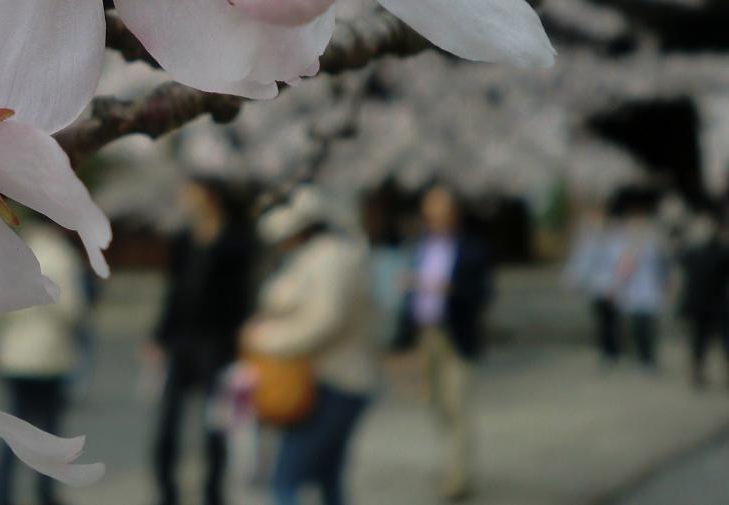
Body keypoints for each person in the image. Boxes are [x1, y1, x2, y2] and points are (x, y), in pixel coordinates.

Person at [243, 186, 378, 505]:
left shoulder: (329, 259)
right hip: (335, 380)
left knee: (286, 480)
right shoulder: (332, 255)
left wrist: (266, 339)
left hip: (332, 382)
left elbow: (324, 321)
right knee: (328, 479)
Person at [151, 177, 255, 505]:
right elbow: (174, 293)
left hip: (217, 341)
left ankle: (214, 491)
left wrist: (240, 338)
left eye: (190, 192)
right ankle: (166, 492)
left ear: (209, 196)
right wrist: (159, 336)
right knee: (167, 423)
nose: (184, 199)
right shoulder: (183, 240)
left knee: (217, 423)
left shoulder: (236, 242)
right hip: (182, 340)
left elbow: (242, 295)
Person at [396, 185, 491, 502]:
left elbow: (482, 294)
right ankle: (451, 463)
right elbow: (411, 295)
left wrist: (448, 288)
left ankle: (457, 476)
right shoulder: (420, 247)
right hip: (426, 335)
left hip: (455, 336)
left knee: (458, 404)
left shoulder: (471, 249)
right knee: (437, 404)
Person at [0, 220, 87, 505]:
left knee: (13, 429)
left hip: (14, 355)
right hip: (48, 356)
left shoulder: (16, 251)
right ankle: (46, 493)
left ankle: (2, 492)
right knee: (49, 430)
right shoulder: (62, 256)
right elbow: (73, 309)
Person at [678, 213, 729, 390]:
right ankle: (699, 373)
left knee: (724, 341)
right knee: (700, 342)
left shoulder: (720, 251)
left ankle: (728, 373)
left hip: (716, 304)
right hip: (704, 305)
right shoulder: (693, 252)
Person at [564, 204, 626, 365]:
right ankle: (606, 351)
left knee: (612, 321)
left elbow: (622, 262)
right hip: (597, 287)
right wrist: (574, 280)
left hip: (614, 287)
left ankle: (614, 350)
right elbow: (581, 263)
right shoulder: (589, 240)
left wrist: (617, 284)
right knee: (602, 321)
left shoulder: (617, 239)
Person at [615, 204, 668, 369]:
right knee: (635, 327)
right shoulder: (624, 246)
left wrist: (666, 285)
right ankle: (640, 358)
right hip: (632, 292)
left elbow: (662, 268)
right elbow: (621, 271)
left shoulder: (654, 245)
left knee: (648, 327)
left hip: (651, 292)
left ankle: (649, 359)